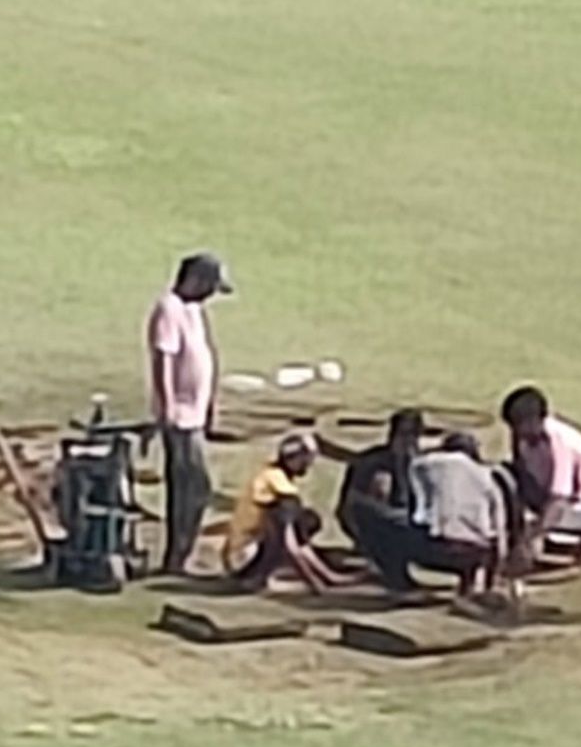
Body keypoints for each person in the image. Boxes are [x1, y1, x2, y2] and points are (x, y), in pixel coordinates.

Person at [148, 252, 232, 575]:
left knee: (194, 487)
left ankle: (182, 553)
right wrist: (167, 404)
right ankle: (177, 557)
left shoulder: (194, 311)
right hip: (180, 417)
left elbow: (203, 359)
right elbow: (163, 359)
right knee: (191, 486)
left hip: (194, 413)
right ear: (195, 280)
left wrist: (210, 404)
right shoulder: (169, 309)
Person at [500, 386, 581, 572]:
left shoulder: (560, 441)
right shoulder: (521, 438)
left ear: (536, 420)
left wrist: (532, 535)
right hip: (547, 495)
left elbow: (559, 498)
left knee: (541, 520)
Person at [379, 432, 510, 596]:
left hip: (431, 548)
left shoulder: (424, 465)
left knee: (388, 526)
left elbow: (411, 505)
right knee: (477, 539)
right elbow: (500, 533)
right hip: (473, 553)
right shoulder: (488, 476)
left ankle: (399, 584)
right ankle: (473, 588)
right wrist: (494, 575)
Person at [221, 434, 351, 593]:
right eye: (306, 461)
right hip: (243, 557)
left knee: (307, 520)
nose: (308, 467)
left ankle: (258, 577)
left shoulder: (272, 475)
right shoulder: (280, 490)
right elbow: (290, 547)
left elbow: (299, 542)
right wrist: (316, 586)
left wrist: (329, 577)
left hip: (237, 556)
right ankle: (255, 579)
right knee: (292, 525)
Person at [337, 407, 426, 567]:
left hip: (405, 522)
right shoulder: (372, 461)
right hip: (373, 520)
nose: (408, 440)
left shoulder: (422, 464)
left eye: (413, 435)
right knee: (382, 482)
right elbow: (349, 506)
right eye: (403, 434)